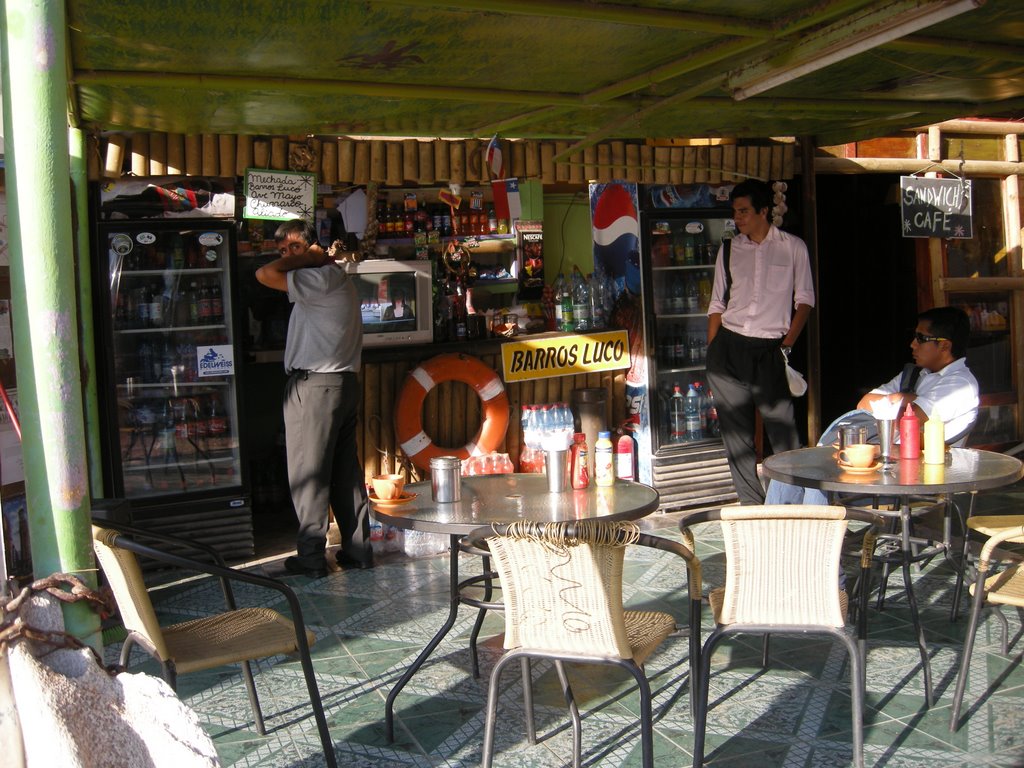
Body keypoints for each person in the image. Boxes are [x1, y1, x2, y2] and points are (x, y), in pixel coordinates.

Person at [765, 305, 980, 505]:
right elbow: (865, 403)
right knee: (787, 470)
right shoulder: (916, 374)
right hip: (879, 462)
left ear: (944, 345)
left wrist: (903, 399)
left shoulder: (959, 384)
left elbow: (909, 418)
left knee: (819, 480)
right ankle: (776, 541)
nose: (912, 344)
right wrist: (902, 397)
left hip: (913, 475)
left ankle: (816, 544)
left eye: (920, 338)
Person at [255, 219, 372, 578]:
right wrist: (306, 256)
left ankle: (310, 558)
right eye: (282, 250)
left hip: (317, 385)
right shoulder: (334, 279)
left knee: (309, 473)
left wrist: (304, 259)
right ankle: (357, 551)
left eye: (294, 247)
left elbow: (263, 274)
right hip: (342, 384)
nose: (286, 255)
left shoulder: (319, 278)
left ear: (313, 248)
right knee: (343, 473)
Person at [705, 179, 815, 505]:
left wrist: (786, 346)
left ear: (764, 211)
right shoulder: (728, 250)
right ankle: (752, 506)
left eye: (744, 211)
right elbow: (716, 305)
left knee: (784, 434)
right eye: (735, 212)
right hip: (728, 347)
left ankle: (791, 505)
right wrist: (713, 353)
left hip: (770, 349)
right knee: (737, 439)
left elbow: (805, 300)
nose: (738, 218)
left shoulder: (793, 247)